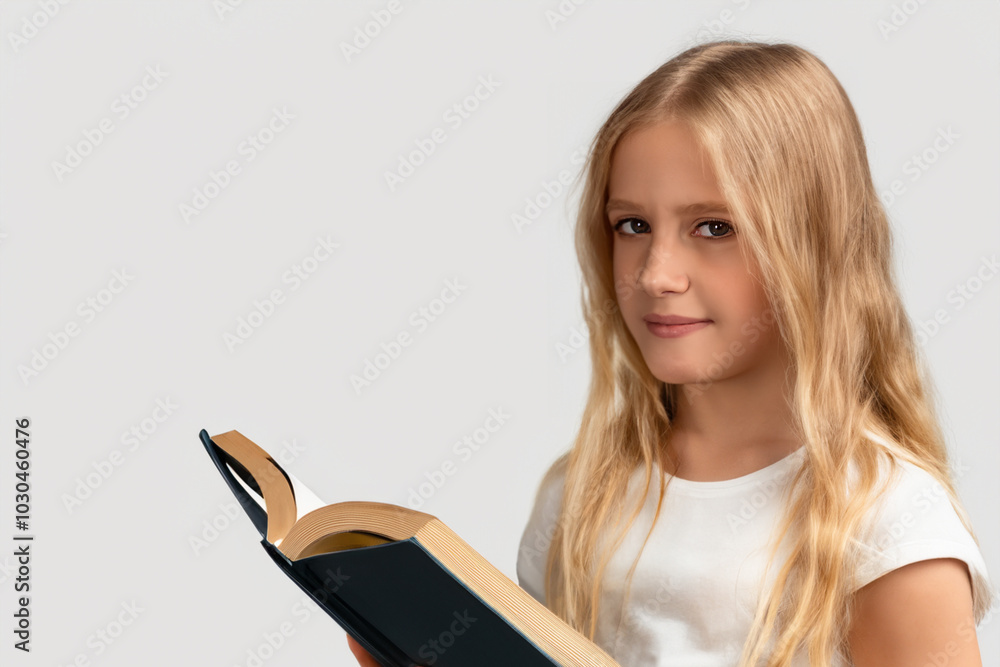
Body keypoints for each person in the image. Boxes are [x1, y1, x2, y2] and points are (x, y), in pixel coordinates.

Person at [349, 39, 995, 666]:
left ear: (814, 244)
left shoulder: (887, 524)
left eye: (714, 227)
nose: (656, 274)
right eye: (632, 225)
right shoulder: (581, 496)